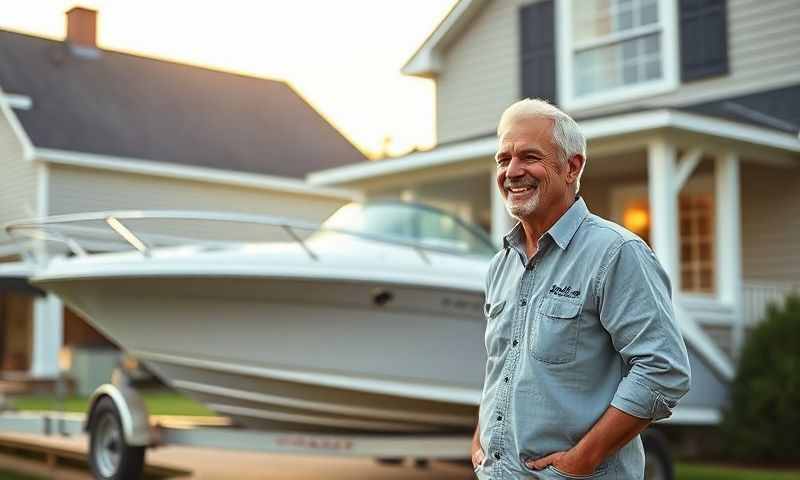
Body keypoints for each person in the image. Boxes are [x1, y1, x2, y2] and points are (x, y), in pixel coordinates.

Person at [471, 99, 691, 479]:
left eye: (529, 156)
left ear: (572, 166)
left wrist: (583, 459)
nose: (512, 171)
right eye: (503, 159)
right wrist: (481, 439)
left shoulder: (617, 253)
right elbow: (502, 365)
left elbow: (663, 370)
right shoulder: (500, 264)